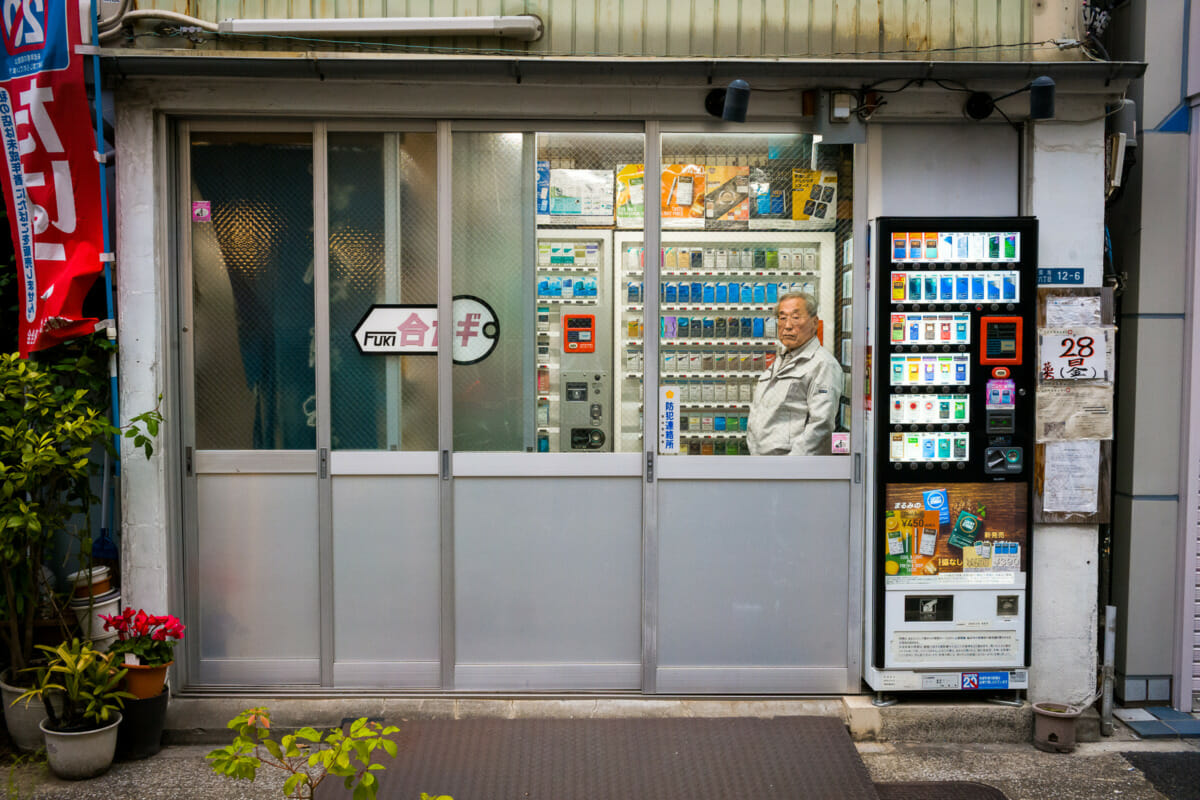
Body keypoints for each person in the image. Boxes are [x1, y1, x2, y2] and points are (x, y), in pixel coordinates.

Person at [746, 292, 843, 455]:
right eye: (782, 318)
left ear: (814, 322)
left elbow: (821, 424)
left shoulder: (823, 364)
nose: (787, 325)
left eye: (796, 317)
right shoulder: (784, 358)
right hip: (765, 464)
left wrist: (793, 465)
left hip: (788, 470)